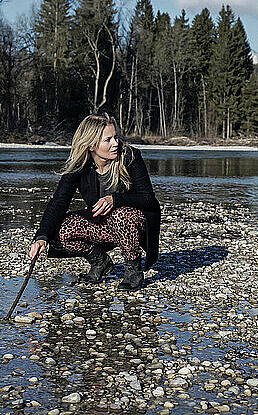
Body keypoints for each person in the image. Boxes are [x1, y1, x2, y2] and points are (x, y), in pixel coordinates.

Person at [28, 113, 161, 291]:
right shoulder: (79, 165)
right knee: (59, 229)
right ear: (91, 145)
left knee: (122, 214)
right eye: (108, 140)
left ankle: (133, 271)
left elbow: (149, 199)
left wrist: (115, 200)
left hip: (133, 225)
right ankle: (100, 262)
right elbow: (58, 203)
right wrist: (41, 237)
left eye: (115, 137)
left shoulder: (130, 156)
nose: (116, 143)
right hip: (103, 226)